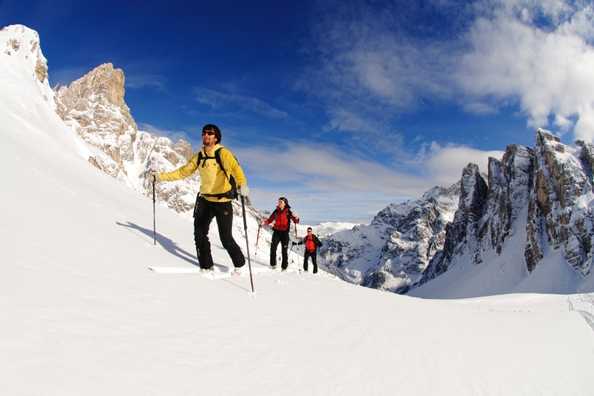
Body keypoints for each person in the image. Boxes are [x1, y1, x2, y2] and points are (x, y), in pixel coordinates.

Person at [153, 124, 249, 271]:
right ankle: (206, 266)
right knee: (199, 234)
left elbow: (236, 169)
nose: (206, 135)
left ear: (216, 137)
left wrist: (243, 185)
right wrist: (161, 177)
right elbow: (183, 172)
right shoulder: (200, 156)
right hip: (205, 200)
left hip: (222, 202)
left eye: (210, 133)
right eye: (204, 133)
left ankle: (240, 265)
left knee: (226, 239)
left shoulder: (223, 153)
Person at [261, 197, 299, 270]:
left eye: (281, 202)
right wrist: (264, 222)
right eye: (279, 202)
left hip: (285, 233)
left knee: (284, 251)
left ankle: (284, 267)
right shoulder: (276, 211)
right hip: (276, 232)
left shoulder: (288, 212)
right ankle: (273, 265)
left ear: (285, 203)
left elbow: (296, 221)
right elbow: (270, 220)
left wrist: (296, 217)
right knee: (273, 248)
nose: (279, 203)